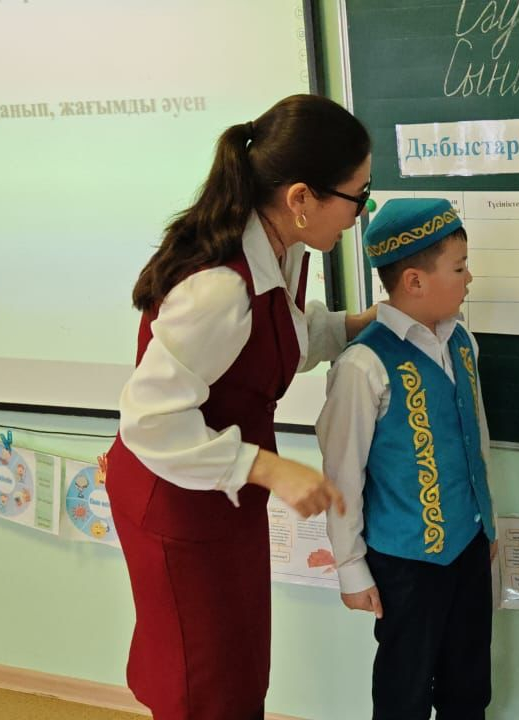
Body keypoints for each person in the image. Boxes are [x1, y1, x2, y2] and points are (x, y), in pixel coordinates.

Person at [106, 93, 375, 720]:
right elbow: (150, 420)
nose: (359, 214)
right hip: (177, 498)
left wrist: (358, 326)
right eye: (357, 197)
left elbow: (278, 341)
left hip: (224, 495)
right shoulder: (221, 288)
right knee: (202, 682)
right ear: (301, 198)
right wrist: (270, 467)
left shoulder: (282, 248)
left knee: (239, 667)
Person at [317, 198, 497, 720]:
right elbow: (342, 475)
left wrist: (487, 522)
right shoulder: (363, 364)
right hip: (405, 563)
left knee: (469, 685)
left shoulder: (462, 341)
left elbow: (476, 439)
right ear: (415, 281)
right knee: (405, 690)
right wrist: (351, 567)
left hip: (468, 546)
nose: (469, 278)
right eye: (459, 268)